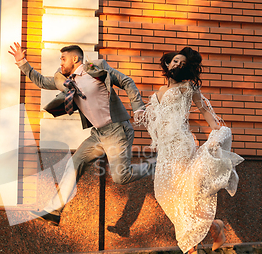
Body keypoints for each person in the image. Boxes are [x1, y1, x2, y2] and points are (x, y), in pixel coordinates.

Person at [9, 42, 155, 226]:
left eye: (63, 59)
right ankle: (54, 210)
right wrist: (22, 63)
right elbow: (41, 81)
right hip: (98, 134)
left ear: (75, 59)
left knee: (120, 177)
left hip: (117, 129)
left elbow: (126, 81)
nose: (60, 63)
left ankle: (155, 165)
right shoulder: (66, 81)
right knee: (74, 163)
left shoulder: (93, 68)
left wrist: (139, 108)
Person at [137, 47, 244, 254]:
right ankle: (215, 226)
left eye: (182, 64)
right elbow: (158, 121)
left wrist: (216, 131)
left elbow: (203, 109)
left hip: (181, 144)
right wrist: (143, 114)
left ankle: (191, 244)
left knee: (187, 191)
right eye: (175, 61)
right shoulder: (158, 91)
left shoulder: (188, 87)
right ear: (168, 64)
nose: (177, 65)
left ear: (187, 70)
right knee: (164, 193)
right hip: (166, 149)